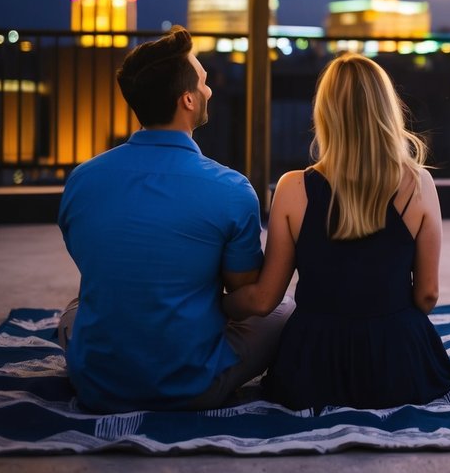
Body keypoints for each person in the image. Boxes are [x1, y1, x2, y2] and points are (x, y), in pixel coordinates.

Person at [57, 26, 293, 412]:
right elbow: (245, 293)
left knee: (76, 308)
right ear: (187, 99)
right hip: (192, 385)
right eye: (203, 82)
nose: (210, 90)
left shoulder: (82, 179)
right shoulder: (231, 189)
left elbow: (92, 261)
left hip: (97, 384)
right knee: (282, 309)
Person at [223, 53, 450, 410]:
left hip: (313, 368)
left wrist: (218, 304)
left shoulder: (292, 187)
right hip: (398, 368)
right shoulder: (418, 183)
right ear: (387, 111)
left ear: (325, 113)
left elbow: (264, 299)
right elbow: (427, 296)